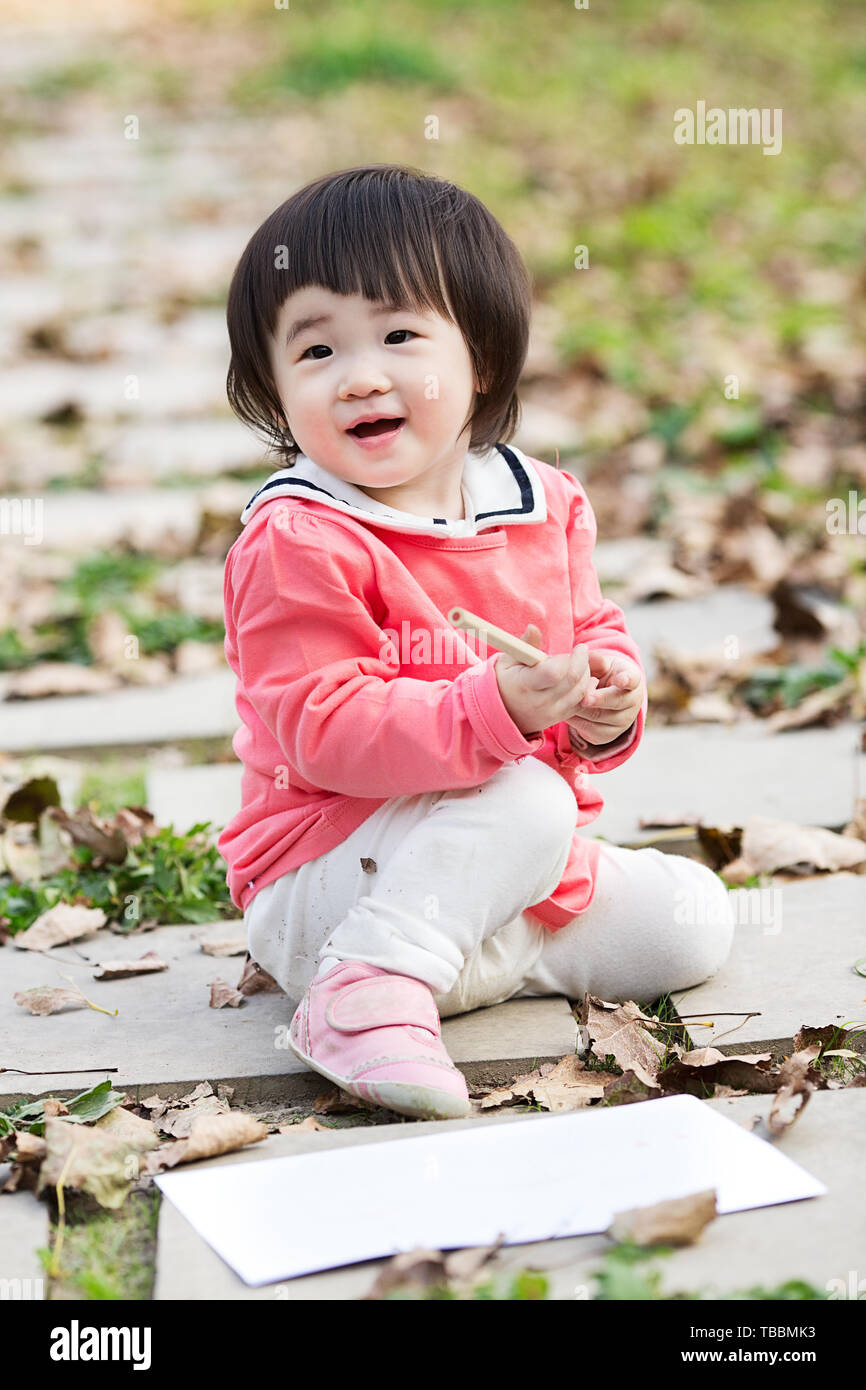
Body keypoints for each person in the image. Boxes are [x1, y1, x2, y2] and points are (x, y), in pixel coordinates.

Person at [218, 163, 734, 1122]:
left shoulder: (541, 503)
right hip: (330, 883)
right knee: (528, 801)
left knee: (693, 921)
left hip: (488, 869)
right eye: (317, 350)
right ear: (275, 388)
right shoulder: (297, 538)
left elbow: (589, 636)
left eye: (400, 335)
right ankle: (360, 990)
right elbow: (321, 727)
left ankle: (443, 977)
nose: (361, 374)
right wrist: (487, 711)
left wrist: (607, 700)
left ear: (482, 361)